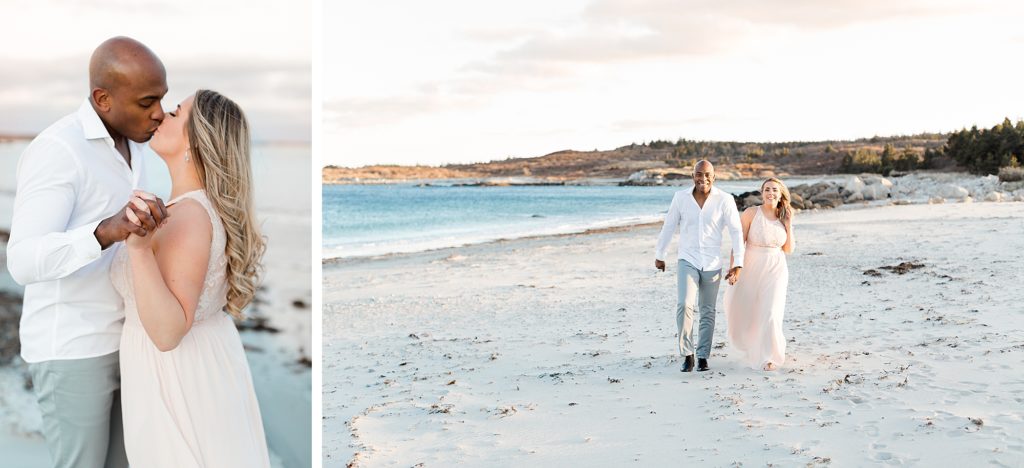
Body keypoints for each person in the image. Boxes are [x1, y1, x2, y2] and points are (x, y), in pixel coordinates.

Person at [7, 36, 169, 468]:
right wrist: (103, 231)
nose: (159, 113)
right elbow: (21, 260)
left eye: (163, 100)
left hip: (130, 341)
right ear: (103, 98)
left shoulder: (138, 146)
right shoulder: (59, 150)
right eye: (147, 101)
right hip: (73, 348)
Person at [111, 89, 270, 467]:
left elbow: (167, 333)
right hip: (204, 361)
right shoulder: (193, 208)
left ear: (195, 140)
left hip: (175, 377)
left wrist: (137, 250)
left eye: (174, 112)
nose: (159, 117)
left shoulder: (188, 217)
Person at [655, 160, 745, 372]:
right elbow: (669, 226)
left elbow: (736, 232)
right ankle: (688, 354)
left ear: (714, 177)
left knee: (707, 311)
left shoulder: (725, 199)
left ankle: (703, 355)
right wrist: (660, 254)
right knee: (684, 305)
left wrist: (738, 263)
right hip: (687, 259)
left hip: (712, 263)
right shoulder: (680, 198)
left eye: (707, 175)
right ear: (692, 175)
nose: (702, 178)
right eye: (698, 174)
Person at [724, 177, 795, 371]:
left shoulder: (784, 215)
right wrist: (733, 269)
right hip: (751, 265)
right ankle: (753, 346)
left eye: (774, 190)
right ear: (761, 193)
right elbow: (738, 244)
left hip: (776, 267)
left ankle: (770, 356)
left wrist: (789, 224)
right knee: (748, 311)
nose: (770, 193)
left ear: (780, 195)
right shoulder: (750, 213)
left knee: (772, 311)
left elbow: (788, 249)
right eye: (767, 190)